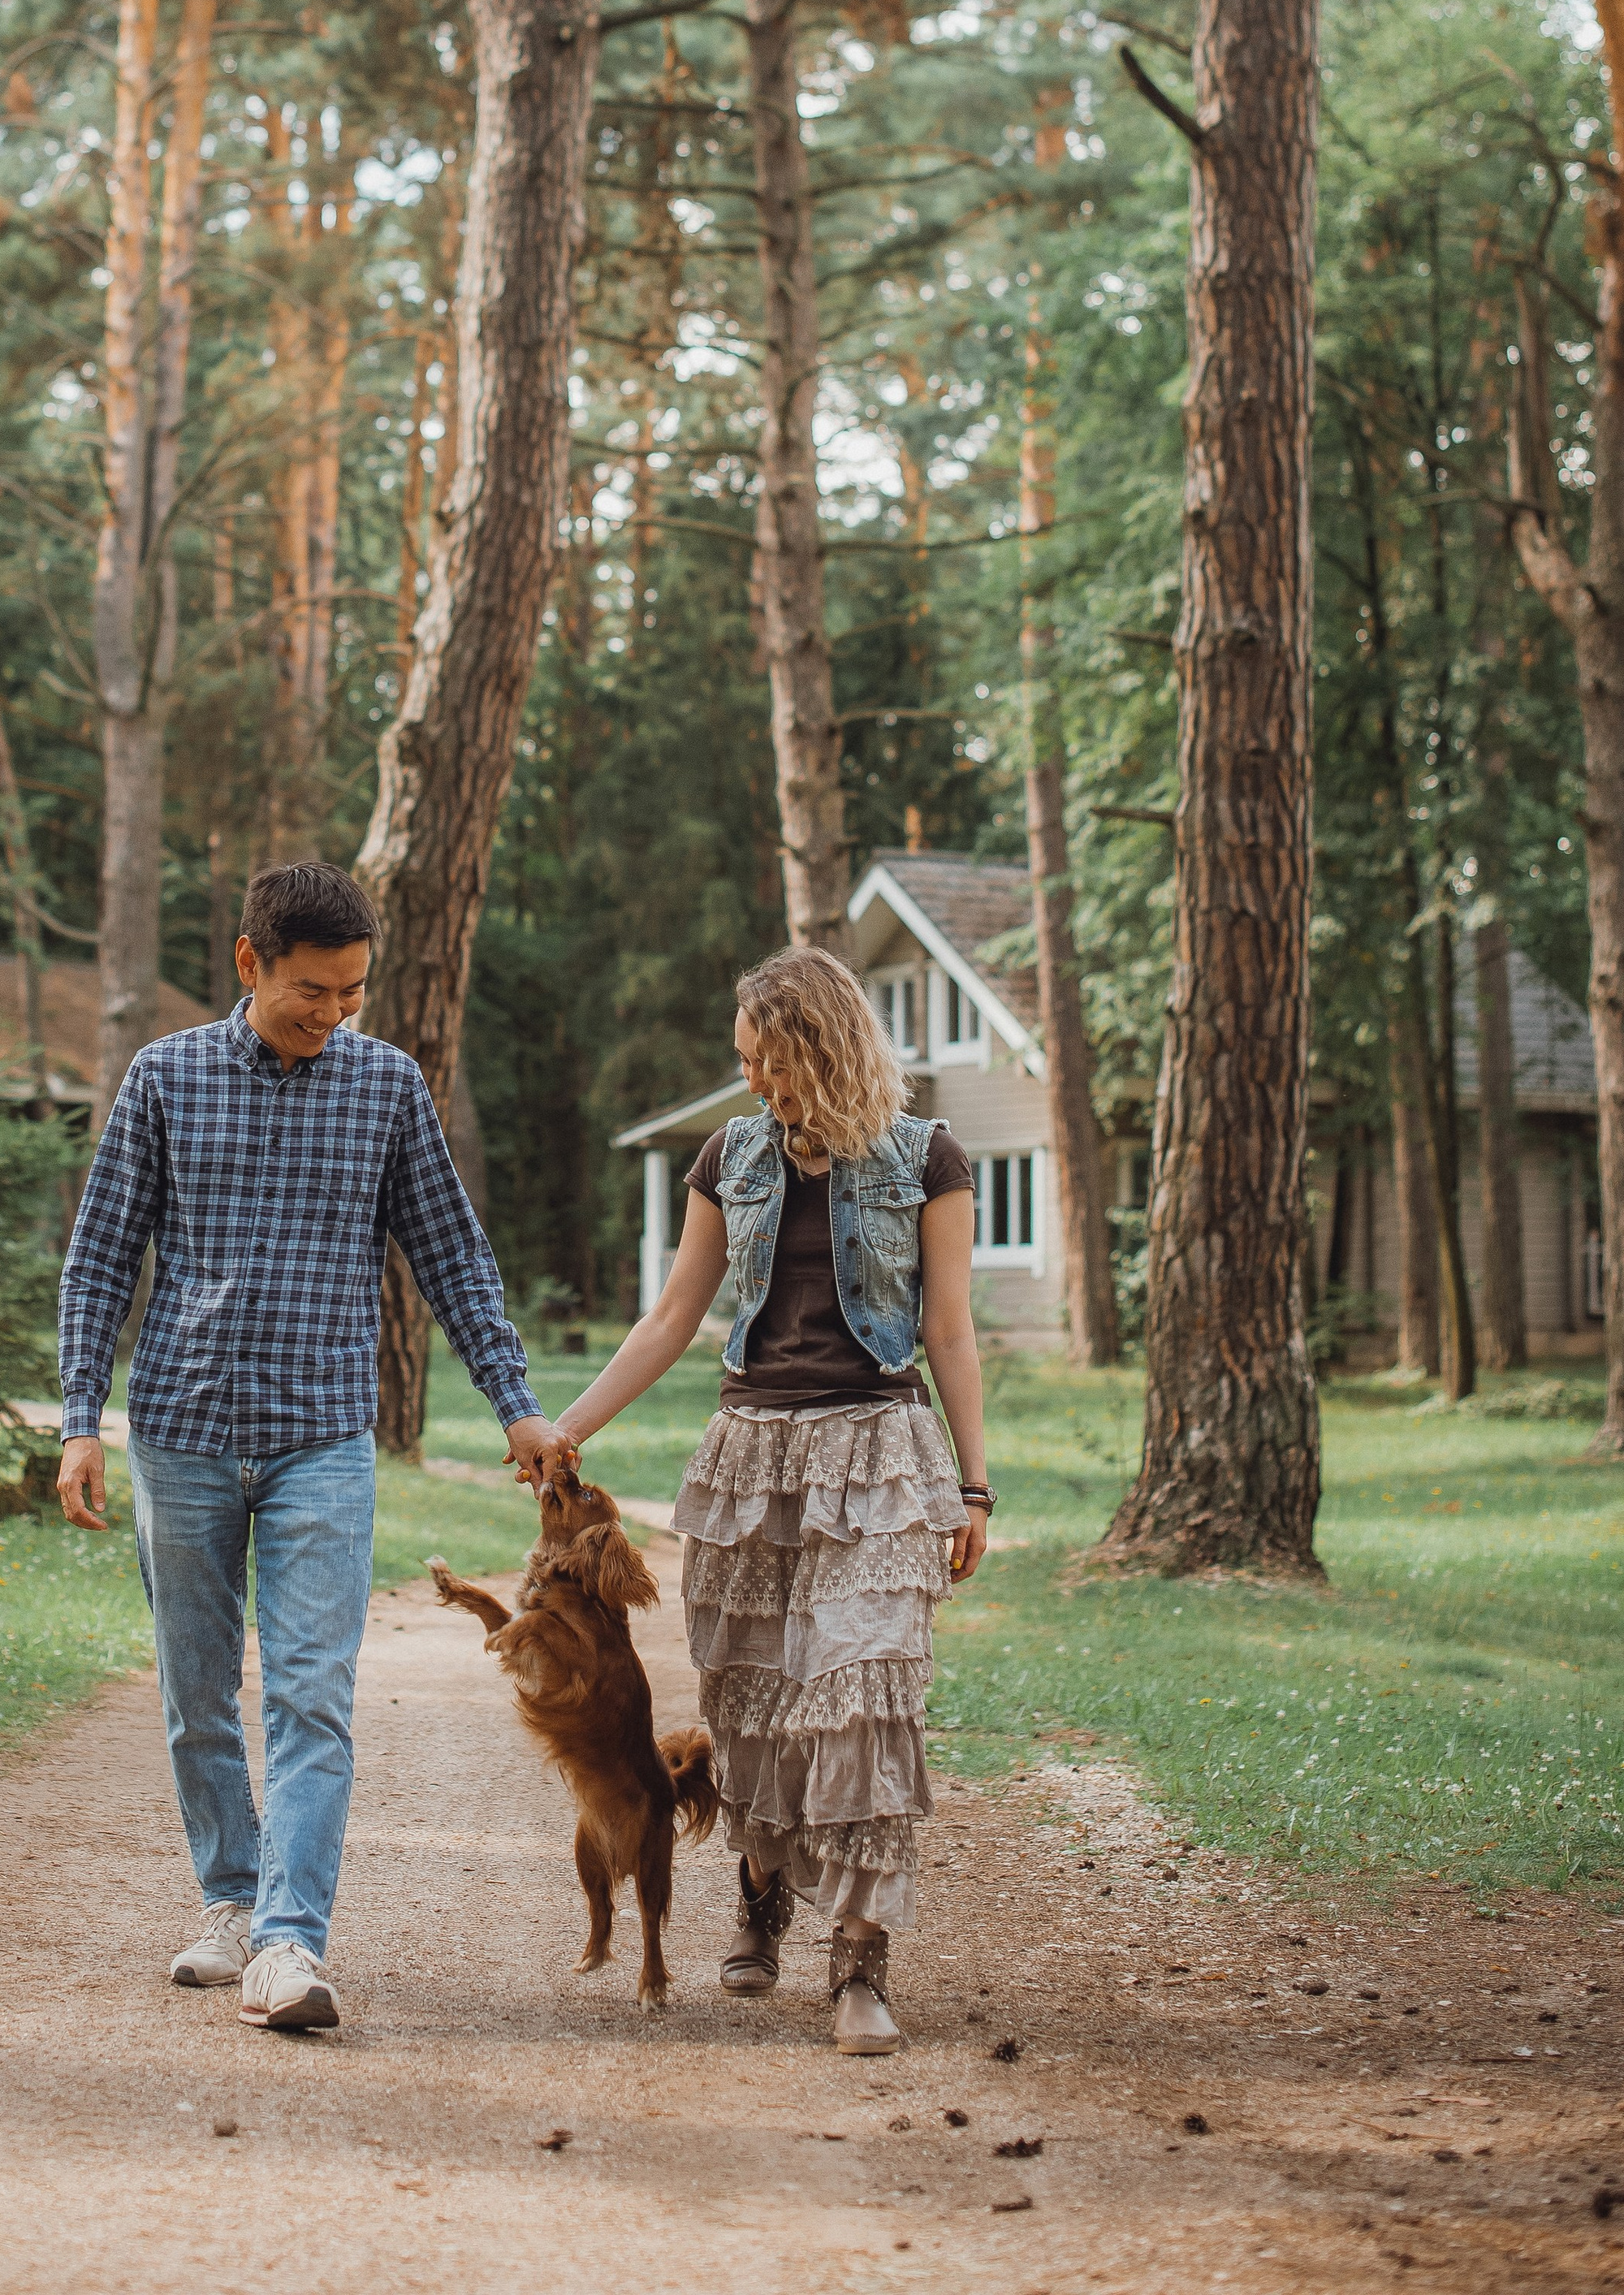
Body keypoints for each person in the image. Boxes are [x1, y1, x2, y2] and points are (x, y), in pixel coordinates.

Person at [54, 858, 564, 2034]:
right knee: (195, 1693)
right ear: (250, 964)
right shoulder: (166, 1077)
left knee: (313, 1698)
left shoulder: (385, 1088)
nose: (333, 1015)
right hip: (179, 1432)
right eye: (311, 992)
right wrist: (82, 1418)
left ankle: (289, 1943)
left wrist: (515, 1400)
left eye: (352, 993)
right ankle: (231, 1900)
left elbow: (454, 1256)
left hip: (322, 1439)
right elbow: (99, 1261)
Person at [545, 943, 990, 2055]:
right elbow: (671, 1316)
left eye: (771, 1064)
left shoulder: (928, 1159)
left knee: (869, 1694)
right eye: (743, 1062)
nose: (755, 1083)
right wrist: (570, 1427)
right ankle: (762, 1892)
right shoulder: (729, 1158)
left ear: (825, 1052)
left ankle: (860, 1965)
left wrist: (971, 1485)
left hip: (879, 1454)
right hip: (751, 1461)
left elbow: (949, 1330)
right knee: (752, 1709)